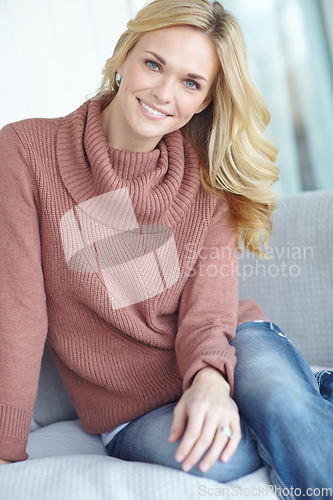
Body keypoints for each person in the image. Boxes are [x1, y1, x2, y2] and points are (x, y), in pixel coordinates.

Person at [0, 0, 332, 498]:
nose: (162, 93)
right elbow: (20, 309)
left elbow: (207, 316)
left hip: (230, 345)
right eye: (154, 64)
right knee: (229, 457)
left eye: (191, 83)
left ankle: (295, 398)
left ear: (205, 101)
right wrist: (8, 444)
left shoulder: (208, 180)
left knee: (286, 411)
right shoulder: (26, 152)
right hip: (131, 408)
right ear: (123, 57)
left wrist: (212, 382)